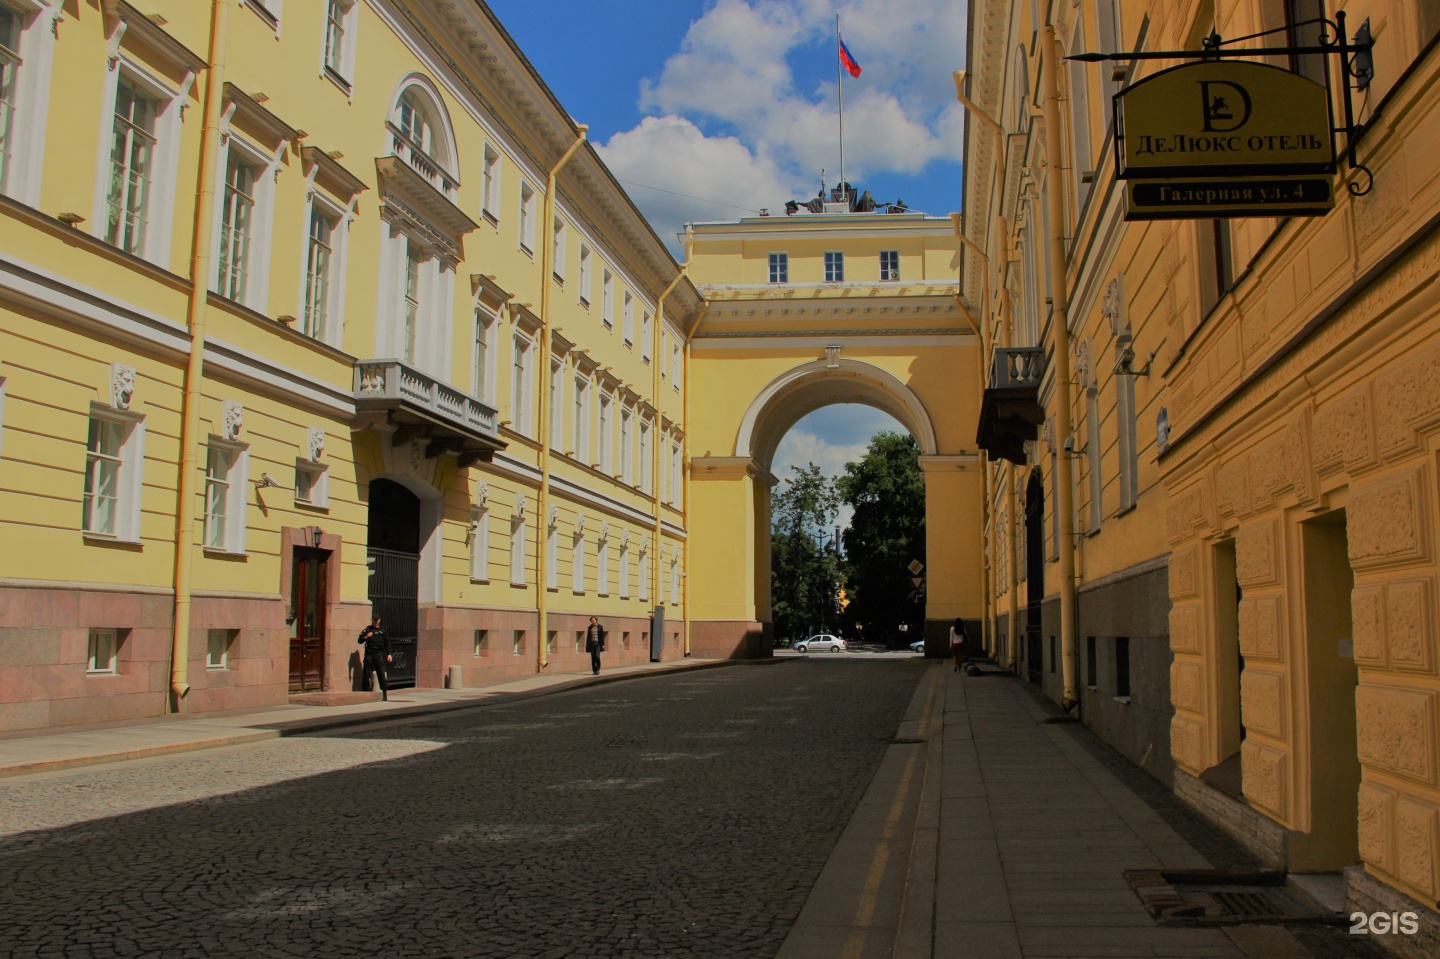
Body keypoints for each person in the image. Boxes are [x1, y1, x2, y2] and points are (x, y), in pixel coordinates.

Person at [358, 614, 392, 701]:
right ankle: (365, 691)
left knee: (381, 673)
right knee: (366, 673)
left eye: (377, 620)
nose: (376, 622)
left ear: (379, 620)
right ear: (372, 620)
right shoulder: (368, 629)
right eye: (374, 620)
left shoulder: (382, 631)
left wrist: (389, 654)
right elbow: (359, 640)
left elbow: (387, 642)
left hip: (378, 654)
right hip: (369, 653)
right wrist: (366, 637)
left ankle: (384, 693)